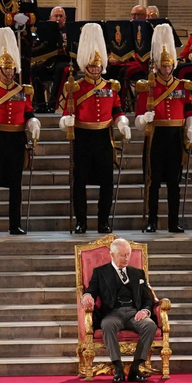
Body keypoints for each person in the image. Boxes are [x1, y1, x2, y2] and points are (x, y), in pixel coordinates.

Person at [57, 24, 129, 236]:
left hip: (103, 138)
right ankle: (81, 221)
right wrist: (66, 123)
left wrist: (122, 123)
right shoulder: (75, 87)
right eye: (92, 65)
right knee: (79, 181)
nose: (95, 69)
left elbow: (116, 110)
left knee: (106, 182)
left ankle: (103, 221)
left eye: (98, 66)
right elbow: (64, 115)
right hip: (82, 137)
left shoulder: (110, 87)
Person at [0, 27, 42, 236]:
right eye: (7, 69)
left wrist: (33, 123)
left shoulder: (23, 90)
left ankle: (15, 224)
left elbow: (29, 112)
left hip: (16, 139)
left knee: (16, 186)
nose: (11, 73)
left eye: (13, 69)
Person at [135, 25, 192, 235]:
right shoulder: (148, 87)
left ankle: (173, 222)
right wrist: (144, 118)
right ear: (157, 66)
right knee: (153, 181)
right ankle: (152, 220)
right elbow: (137, 117)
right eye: (164, 66)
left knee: (174, 182)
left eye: (170, 66)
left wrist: (191, 128)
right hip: (156, 136)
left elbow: (189, 111)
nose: (167, 69)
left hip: (175, 137)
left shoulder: (182, 86)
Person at [83, 238, 159, 383]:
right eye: (123, 255)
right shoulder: (100, 272)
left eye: (128, 254)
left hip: (134, 313)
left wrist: (145, 311)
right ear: (112, 255)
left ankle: (135, 368)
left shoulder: (138, 273)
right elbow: (91, 290)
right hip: (113, 314)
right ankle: (118, 368)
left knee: (150, 325)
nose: (126, 258)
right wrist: (87, 296)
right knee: (107, 325)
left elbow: (147, 298)